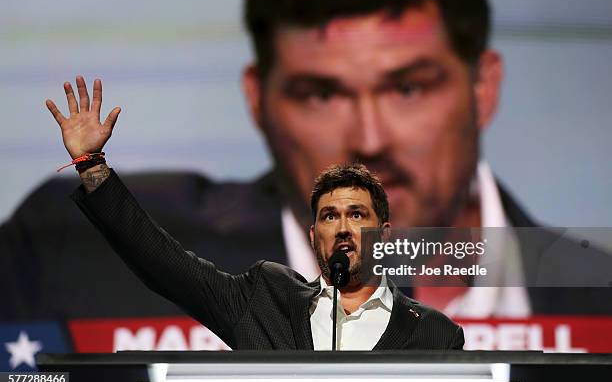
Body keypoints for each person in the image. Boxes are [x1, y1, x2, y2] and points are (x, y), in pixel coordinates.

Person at [1, 0, 609, 325]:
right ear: (258, 100)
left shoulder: (599, 291)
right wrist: (91, 169)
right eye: (321, 93)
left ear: (483, 89)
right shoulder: (63, 259)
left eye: (408, 87)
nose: (370, 138)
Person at [47, 76, 463, 349]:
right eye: (329, 217)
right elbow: (162, 260)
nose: (342, 228)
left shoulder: (435, 332)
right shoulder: (265, 301)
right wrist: (91, 165)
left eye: (357, 215)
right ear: (311, 234)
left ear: (383, 233)